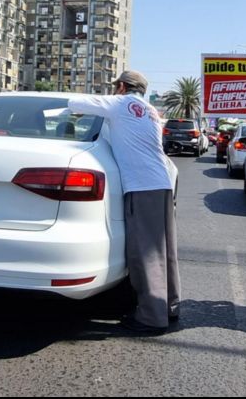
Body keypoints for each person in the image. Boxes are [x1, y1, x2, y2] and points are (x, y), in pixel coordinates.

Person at [68, 70, 181, 334]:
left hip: (142, 186)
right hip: (161, 182)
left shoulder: (118, 104)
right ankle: (169, 307)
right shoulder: (151, 110)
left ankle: (151, 318)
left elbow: (74, 104)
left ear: (120, 87)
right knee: (165, 251)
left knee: (145, 253)